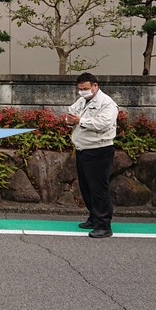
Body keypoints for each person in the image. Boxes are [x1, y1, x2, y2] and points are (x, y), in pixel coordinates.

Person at [64, 72, 118, 238]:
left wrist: (80, 121)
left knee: (98, 188)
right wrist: (69, 120)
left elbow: (104, 123)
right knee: (86, 187)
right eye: (80, 89)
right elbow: (71, 114)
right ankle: (94, 217)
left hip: (99, 149)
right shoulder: (82, 101)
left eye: (85, 88)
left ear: (95, 86)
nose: (82, 92)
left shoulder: (107, 103)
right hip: (83, 149)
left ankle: (104, 225)